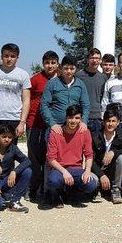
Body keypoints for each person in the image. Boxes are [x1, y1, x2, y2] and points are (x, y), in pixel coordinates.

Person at [45, 105, 97, 208]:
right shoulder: (56, 133)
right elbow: (50, 159)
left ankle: (73, 193)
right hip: (59, 169)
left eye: (77, 118)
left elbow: (89, 155)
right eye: (70, 117)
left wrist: (87, 171)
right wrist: (64, 171)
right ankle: (56, 195)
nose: (73, 121)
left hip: (76, 168)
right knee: (53, 181)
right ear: (66, 118)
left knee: (91, 184)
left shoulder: (85, 132)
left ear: (81, 120)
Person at [26, 50, 58, 202]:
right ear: (43, 64)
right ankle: (32, 189)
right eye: (47, 63)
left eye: (53, 63)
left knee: (49, 158)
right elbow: (26, 99)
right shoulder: (36, 79)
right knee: (34, 158)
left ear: (57, 64)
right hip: (34, 123)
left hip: (53, 125)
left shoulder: (61, 79)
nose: (50, 66)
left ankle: (47, 189)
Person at [0, 43, 31, 144]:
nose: (9, 59)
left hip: (13, 119)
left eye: (12, 56)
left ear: (17, 58)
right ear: (1, 56)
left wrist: (22, 123)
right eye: (6, 56)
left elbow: (26, 100)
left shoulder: (23, 75)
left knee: (10, 152)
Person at [0, 124, 31, 213]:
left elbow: (27, 161)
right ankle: (4, 197)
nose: (7, 139)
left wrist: (14, 171)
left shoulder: (13, 148)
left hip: (7, 180)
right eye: (4, 136)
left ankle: (15, 201)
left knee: (27, 171)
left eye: (10, 137)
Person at [41, 55, 91, 132]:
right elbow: (44, 105)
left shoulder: (80, 84)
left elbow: (86, 105)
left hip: (74, 126)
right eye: (66, 68)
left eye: (72, 68)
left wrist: (84, 121)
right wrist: (52, 123)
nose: (69, 71)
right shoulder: (52, 83)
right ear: (61, 68)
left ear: (76, 69)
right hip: (56, 127)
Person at [91, 105, 122, 203]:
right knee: (92, 179)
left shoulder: (120, 134)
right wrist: (101, 175)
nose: (110, 124)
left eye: (113, 121)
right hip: (97, 169)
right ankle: (96, 189)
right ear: (103, 122)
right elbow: (91, 160)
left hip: (111, 169)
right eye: (108, 121)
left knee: (121, 158)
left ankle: (116, 189)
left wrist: (113, 152)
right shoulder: (95, 136)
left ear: (118, 123)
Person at [76, 48, 108, 133]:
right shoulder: (78, 76)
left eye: (97, 58)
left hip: (97, 118)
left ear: (100, 60)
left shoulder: (103, 77)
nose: (95, 60)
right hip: (81, 118)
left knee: (96, 146)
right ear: (87, 59)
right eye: (92, 58)